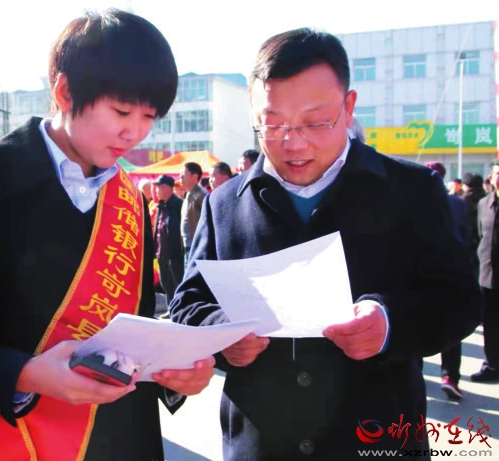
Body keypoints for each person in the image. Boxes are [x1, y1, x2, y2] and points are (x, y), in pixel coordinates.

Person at [0, 10, 214, 461]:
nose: (136, 132)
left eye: (150, 116)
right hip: (6, 439)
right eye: (122, 111)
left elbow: (136, 332)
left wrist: (176, 375)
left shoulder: (130, 202)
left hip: (117, 442)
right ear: (64, 91)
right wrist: (24, 374)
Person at [169, 28, 481, 460]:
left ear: (348, 107)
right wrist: (220, 332)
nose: (293, 142)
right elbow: (188, 302)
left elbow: (460, 300)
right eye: (272, 124)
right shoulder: (224, 204)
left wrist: (389, 323)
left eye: (315, 122)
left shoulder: (411, 190)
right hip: (261, 445)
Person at [424, 162, 472, 400]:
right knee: (450, 326)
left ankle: (415, 372)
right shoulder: (456, 203)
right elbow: (467, 234)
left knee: (415, 322)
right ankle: (450, 376)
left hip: (420, 274)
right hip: (451, 271)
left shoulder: (412, 200)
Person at [473, 161, 499, 383]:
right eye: (497, 174)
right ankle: (492, 365)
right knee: (490, 325)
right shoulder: (483, 204)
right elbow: (480, 236)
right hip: (488, 274)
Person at [153, 174, 184, 307]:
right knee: (166, 284)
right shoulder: (161, 206)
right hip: (162, 254)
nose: (156, 191)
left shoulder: (179, 205)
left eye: (158, 187)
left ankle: (180, 309)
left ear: (166, 188)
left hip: (175, 254)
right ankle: (171, 309)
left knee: (178, 283)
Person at [179, 161, 207, 260]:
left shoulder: (201, 195)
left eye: (183, 174)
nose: (180, 177)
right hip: (188, 245)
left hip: (196, 246)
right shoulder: (188, 194)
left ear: (194, 177)